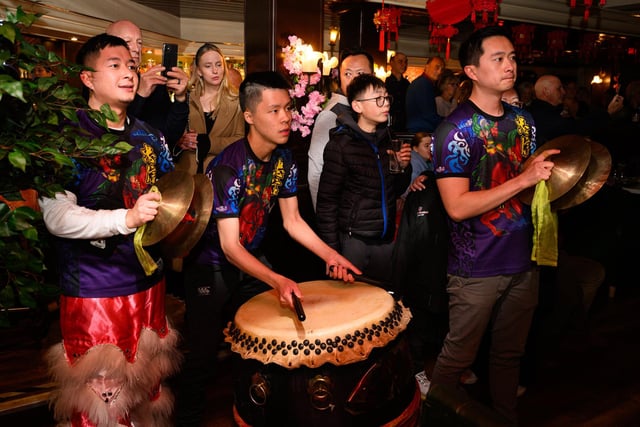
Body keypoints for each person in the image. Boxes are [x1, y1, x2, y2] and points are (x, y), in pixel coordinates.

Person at [174, 71, 361, 427]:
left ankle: (260, 408)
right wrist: (276, 279)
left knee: (271, 338)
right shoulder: (229, 167)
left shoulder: (284, 159)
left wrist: (331, 256)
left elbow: (293, 222)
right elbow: (230, 246)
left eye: (288, 109)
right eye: (274, 111)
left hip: (252, 259)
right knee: (202, 357)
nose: (286, 117)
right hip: (212, 264)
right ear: (249, 116)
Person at [40, 33, 180, 427]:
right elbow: (57, 217)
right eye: (114, 65)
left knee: (145, 394)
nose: (129, 74)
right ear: (87, 78)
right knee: (102, 402)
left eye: (131, 66)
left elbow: (170, 197)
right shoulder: (68, 137)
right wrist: (126, 219)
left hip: (149, 283)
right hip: (95, 292)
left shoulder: (150, 136)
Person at [430, 26, 559, 425]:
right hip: (476, 267)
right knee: (457, 358)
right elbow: (456, 207)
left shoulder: (524, 122)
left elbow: (530, 185)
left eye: (513, 58)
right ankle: (430, 418)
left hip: (523, 258)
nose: (510, 65)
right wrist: (523, 179)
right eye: (498, 59)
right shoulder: (455, 129)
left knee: (508, 355)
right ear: (471, 70)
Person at [315, 74, 411, 285]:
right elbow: (326, 202)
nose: (385, 103)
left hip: (385, 238)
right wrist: (332, 253)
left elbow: (397, 189)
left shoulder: (388, 139)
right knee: (349, 305)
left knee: (383, 302)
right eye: (378, 99)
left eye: (387, 98)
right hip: (354, 241)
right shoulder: (342, 144)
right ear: (357, 106)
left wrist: (403, 168)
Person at [106, 19, 189, 150]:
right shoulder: (101, 84)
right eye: (127, 42)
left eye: (139, 42)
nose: (136, 48)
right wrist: (140, 95)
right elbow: (112, 136)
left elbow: (171, 135)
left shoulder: (154, 84)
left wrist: (180, 99)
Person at [308, 47, 374, 209]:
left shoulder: (369, 111)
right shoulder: (331, 115)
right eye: (348, 74)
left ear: (373, 76)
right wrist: (325, 221)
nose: (353, 80)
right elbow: (316, 173)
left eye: (360, 74)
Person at [173, 43, 244, 174]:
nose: (215, 71)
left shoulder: (236, 101)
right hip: (187, 174)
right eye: (208, 66)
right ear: (199, 71)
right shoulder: (186, 99)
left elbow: (240, 140)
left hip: (222, 174)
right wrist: (180, 142)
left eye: (218, 64)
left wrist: (209, 143)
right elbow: (171, 134)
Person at [528, 74, 623, 145]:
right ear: (546, 92)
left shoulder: (549, 110)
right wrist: (608, 113)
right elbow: (575, 128)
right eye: (559, 89)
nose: (564, 92)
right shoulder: (541, 114)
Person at [405, 56, 445, 133]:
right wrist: (448, 122)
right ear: (426, 67)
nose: (440, 72)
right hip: (421, 131)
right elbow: (429, 115)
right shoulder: (423, 84)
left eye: (442, 69)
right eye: (437, 67)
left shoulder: (423, 83)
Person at [385, 51, 410, 131]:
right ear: (391, 63)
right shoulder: (387, 83)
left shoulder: (407, 84)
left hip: (405, 124)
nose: (404, 65)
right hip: (390, 125)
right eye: (400, 61)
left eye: (405, 62)